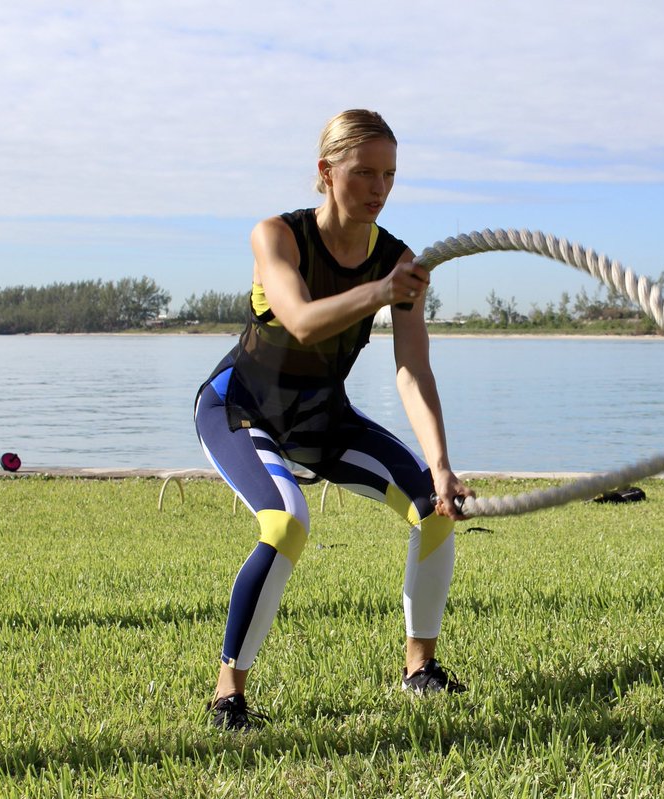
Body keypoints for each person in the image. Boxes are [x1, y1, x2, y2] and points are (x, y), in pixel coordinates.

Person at [194, 109, 473, 730]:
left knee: (433, 509)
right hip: (240, 410)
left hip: (323, 417)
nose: (379, 189)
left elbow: (412, 370)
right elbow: (299, 319)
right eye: (365, 173)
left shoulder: (396, 259)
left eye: (390, 175)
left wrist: (442, 466)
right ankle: (227, 696)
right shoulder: (278, 237)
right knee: (287, 521)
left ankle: (419, 670)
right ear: (326, 172)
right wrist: (381, 291)